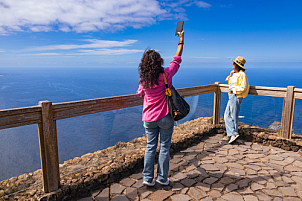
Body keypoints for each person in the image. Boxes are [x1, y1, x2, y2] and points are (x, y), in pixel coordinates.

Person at [136, 30, 184, 186]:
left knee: (150, 147)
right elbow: (176, 60)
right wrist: (181, 40)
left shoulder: (144, 79)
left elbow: (139, 94)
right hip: (165, 116)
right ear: (159, 62)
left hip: (149, 118)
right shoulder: (166, 75)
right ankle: (162, 178)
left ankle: (147, 178)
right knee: (164, 147)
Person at [224, 56, 249, 144]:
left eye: (234, 63)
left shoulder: (242, 75)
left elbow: (243, 87)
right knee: (227, 115)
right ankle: (232, 134)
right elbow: (230, 83)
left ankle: (233, 135)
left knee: (233, 116)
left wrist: (233, 91)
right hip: (231, 95)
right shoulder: (235, 74)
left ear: (238, 65)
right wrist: (231, 75)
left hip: (236, 95)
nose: (232, 64)